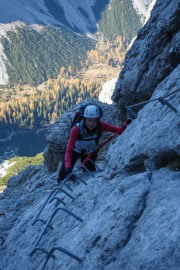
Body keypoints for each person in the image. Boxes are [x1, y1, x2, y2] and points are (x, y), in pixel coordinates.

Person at [57, 105, 131, 182]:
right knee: (62, 176)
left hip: (90, 152)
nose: (91, 124)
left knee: (89, 171)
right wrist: (68, 168)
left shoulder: (101, 125)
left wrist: (126, 125)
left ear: (97, 120)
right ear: (84, 119)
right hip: (75, 151)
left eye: (94, 121)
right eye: (89, 120)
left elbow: (117, 130)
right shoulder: (76, 129)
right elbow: (69, 151)